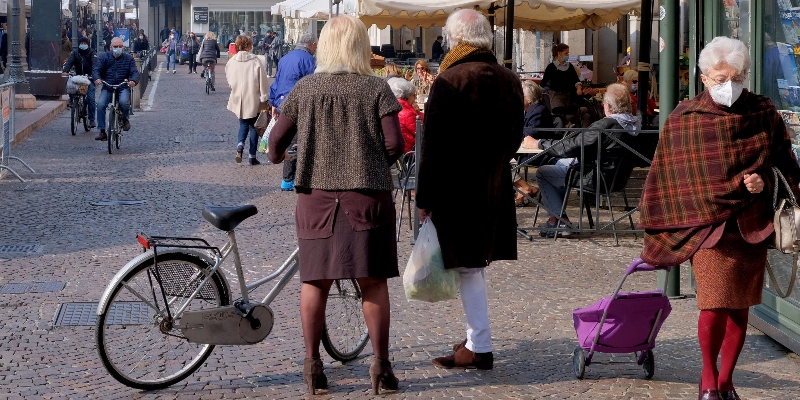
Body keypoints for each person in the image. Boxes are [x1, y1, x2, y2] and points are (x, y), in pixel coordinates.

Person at [638, 36, 800, 400]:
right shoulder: (685, 116)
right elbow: (668, 175)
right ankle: (708, 379)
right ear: (703, 78)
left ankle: (726, 380)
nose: (728, 85)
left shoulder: (762, 112)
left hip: (750, 225)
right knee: (712, 306)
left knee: (740, 307)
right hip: (707, 229)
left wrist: (765, 179)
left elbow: (787, 168)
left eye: (736, 77)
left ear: (745, 75)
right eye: (719, 78)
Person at [267, 15, 402, 395]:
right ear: (361, 46)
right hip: (367, 197)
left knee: (315, 280)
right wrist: (368, 162)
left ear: (324, 46)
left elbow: (275, 147)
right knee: (372, 282)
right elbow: (394, 144)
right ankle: (381, 367)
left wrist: (307, 153)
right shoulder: (376, 89)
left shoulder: (305, 90)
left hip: (316, 198)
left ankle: (313, 367)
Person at [416, 9, 522, 370]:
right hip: (493, 184)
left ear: (455, 38)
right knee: (473, 267)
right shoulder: (510, 79)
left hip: (457, 189)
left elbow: (432, 145)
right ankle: (476, 340)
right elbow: (513, 140)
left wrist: (424, 197)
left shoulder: (450, 79)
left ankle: (480, 345)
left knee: (470, 268)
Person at [531, 83, 640, 237]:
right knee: (560, 166)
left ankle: (560, 222)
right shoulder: (635, 125)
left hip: (595, 178)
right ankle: (557, 219)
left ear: (607, 106)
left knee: (543, 173)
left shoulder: (606, 125)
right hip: (617, 178)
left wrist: (539, 143)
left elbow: (571, 146)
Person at [268, 32, 317, 191]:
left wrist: (274, 102)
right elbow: (312, 86)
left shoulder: (285, 58)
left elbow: (278, 81)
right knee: (299, 143)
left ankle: (289, 179)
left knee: (289, 140)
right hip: (299, 106)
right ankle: (290, 179)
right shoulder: (309, 60)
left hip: (283, 104)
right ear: (312, 45)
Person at [226, 35, 269, 166]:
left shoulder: (232, 61)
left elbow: (229, 79)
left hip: (239, 98)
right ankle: (252, 156)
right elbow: (263, 80)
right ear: (249, 46)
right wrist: (264, 97)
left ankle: (240, 145)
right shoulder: (256, 60)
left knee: (243, 124)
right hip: (254, 98)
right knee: (254, 127)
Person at [514, 80, 554, 206]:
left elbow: (530, 134)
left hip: (536, 153)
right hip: (528, 151)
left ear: (528, 98)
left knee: (500, 162)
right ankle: (523, 188)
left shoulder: (538, 110)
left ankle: (525, 188)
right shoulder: (531, 110)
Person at [539, 43, 597, 128]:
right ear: (559, 53)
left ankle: (574, 129)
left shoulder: (570, 67)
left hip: (568, 96)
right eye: (566, 53)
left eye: (568, 53)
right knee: (559, 114)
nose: (568, 55)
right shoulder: (551, 67)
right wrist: (538, 94)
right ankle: (566, 128)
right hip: (556, 96)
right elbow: (543, 83)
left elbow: (576, 80)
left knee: (573, 113)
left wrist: (579, 88)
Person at [92, 37, 138, 141]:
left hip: (122, 86)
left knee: (124, 102)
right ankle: (102, 131)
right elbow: (97, 69)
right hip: (108, 86)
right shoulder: (104, 57)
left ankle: (125, 119)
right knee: (100, 105)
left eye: (120, 46)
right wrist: (97, 78)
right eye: (116, 46)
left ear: (123, 47)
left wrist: (133, 81)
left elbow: (134, 72)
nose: (118, 48)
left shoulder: (128, 58)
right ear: (111, 47)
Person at [62, 36, 98, 129]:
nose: (83, 45)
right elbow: (69, 62)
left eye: (85, 44)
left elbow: (94, 64)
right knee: (71, 88)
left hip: (89, 78)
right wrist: (65, 71)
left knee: (90, 98)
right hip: (78, 78)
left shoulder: (92, 52)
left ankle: (91, 119)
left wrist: (94, 75)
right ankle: (73, 101)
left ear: (88, 45)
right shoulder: (75, 53)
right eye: (82, 43)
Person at [388, 77, 422, 153]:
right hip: (412, 152)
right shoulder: (407, 113)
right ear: (407, 96)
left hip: (402, 151)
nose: (415, 98)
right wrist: (418, 113)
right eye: (414, 95)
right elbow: (421, 132)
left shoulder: (395, 107)